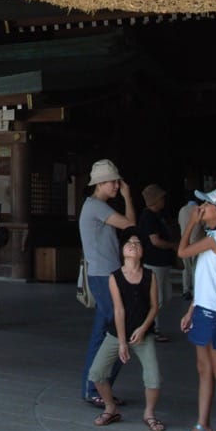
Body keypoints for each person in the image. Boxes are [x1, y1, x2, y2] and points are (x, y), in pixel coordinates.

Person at [88, 231, 165, 431]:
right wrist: (122, 342)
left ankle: (149, 413)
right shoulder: (115, 276)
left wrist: (142, 329)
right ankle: (110, 407)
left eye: (137, 243)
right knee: (96, 373)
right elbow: (118, 309)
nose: (133, 245)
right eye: (129, 243)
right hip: (117, 333)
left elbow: (154, 307)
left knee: (154, 377)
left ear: (142, 252)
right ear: (122, 251)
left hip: (143, 334)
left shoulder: (150, 275)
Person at [178, 187, 216, 431]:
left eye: (206, 205)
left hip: (214, 312)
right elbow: (206, 280)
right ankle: (203, 424)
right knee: (204, 369)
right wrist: (191, 309)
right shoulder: (214, 237)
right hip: (204, 309)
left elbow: (181, 252)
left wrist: (191, 223)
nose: (200, 208)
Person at [79, 159, 136, 407]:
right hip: (104, 276)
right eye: (114, 181)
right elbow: (132, 225)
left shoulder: (96, 206)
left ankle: (96, 388)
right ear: (100, 183)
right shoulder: (96, 206)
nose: (117, 185)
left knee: (104, 331)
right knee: (110, 331)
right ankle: (95, 387)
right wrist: (128, 196)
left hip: (105, 274)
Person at [138, 184, 176, 342]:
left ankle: (151, 326)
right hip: (154, 262)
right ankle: (153, 328)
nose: (163, 200)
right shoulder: (148, 217)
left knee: (165, 296)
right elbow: (155, 241)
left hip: (162, 262)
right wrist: (174, 246)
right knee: (157, 297)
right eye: (161, 198)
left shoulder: (157, 215)